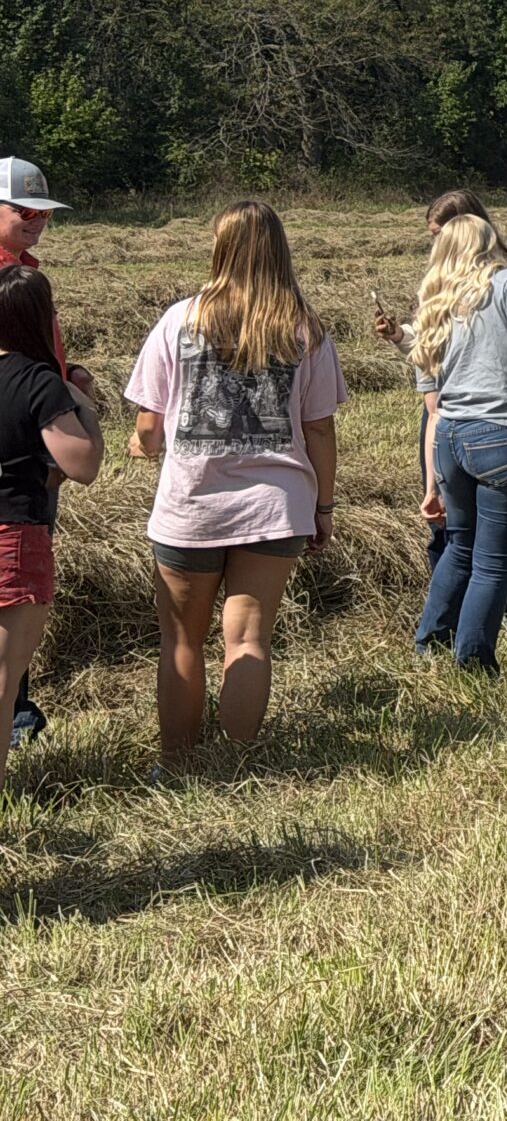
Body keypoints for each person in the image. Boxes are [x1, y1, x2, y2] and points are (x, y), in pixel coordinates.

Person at [125, 201, 345, 768]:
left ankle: (177, 762)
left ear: (219, 247)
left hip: (192, 506)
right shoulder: (306, 328)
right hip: (275, 507)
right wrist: (322, 507)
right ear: (280, 249)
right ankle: (237, 760)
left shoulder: (180, 320)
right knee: (248, 639)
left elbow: (149, 427)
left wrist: (143, 445)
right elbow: (319, 429)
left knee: (182, 641)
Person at [409, 215, 507, 673]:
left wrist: (432, 480)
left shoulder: (436, 301)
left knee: (460, 545)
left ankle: (429, 643)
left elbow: (430, 386)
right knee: (495, 563)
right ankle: (473, 662)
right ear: (490, 243)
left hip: (452, 434)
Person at [0, 156, 97, 753]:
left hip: (40, 430)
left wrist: (66, 375)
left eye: (44, 214)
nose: (38, 222)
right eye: (24, 212)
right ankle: (13, 714)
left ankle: (16, 706)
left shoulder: (26, 271)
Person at [372, 189, 497, 574]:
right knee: (445, 519)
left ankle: (466, 600)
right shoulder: (437, 289)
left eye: (439, 234)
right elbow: (433, 352)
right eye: (432, 235)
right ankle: (451, 596)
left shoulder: (497, 284)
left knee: (476, 522)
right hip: (443, 413)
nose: (435, 244)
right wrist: (400, 337)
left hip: (461, 414)